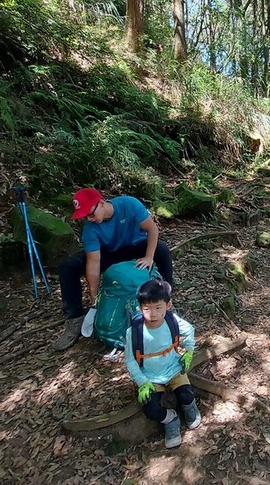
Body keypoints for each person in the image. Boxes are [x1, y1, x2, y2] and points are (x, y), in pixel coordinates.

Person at [53, 188, 174, 351]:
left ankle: (165, 299)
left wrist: (149, 257)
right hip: (109, 253)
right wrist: (95, 298)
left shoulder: (129, 204)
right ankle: (74, 319)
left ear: (101, 203)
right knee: (68, 267)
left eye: (91, 214)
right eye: (85, 217)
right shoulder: (90, 228)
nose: (89, 219)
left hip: (135, 246)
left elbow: (152, 229)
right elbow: (93, 264)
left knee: (162, 250)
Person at [125, 279, 200, 448]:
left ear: (168, 305)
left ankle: (190, 409)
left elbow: (189, 330)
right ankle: (171, 419)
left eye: (158, 307)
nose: (153, 314)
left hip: (173, 368)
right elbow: (130, 360)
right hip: (150, 376)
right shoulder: (134, 332)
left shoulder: (171, 321)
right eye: (147, 308)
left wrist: (188, 351)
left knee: (186, 395)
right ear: (140, 308)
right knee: (150, 408)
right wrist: (142, 382)